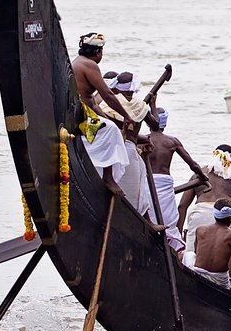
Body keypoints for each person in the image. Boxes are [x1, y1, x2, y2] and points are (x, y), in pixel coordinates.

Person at [69, 34, 162, 231]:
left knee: (111, 127)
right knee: (111, 131)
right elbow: (108, 95)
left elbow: (94, 102)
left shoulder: (78, 61)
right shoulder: (89, 65)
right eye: (101, 52)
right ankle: (108, 178)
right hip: (82, 117)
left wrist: (109, 118)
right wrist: (126, 116)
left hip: (85, 113)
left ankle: (105, 174)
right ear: (97, 52)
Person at [140, 107, 206, 255]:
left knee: (148, 214)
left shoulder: (142, 140)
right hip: (162, 184)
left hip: (147, 182)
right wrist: (203, 176)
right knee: (168, 222)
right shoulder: (172, 142)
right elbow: (193, 165)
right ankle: (171, 249)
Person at [178, 143, 231, 235]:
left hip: (199, 216)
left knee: (195, 248)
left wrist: (178, 234)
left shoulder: (199, 174)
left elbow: (182, 206)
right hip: (225, 217)